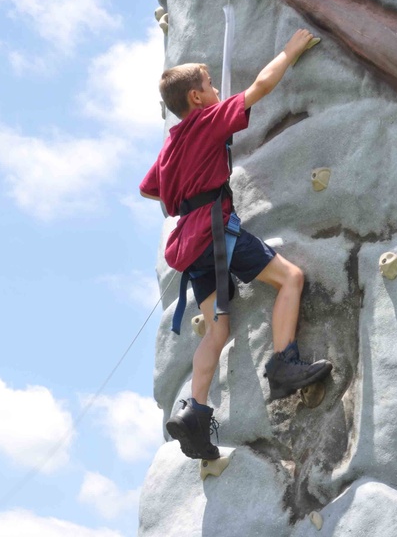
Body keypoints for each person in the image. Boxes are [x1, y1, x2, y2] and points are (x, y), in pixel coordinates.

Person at [139, 29, 332, 460]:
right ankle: (284, 363)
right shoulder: (207, 122)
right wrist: (291, 49)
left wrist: (182, 192)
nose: (213, 89)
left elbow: (149, 190)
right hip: (214, 231)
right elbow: (260, 87)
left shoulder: (172, 143)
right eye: (207, 85)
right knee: (290, 279)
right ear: (195, 97)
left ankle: (195, 410)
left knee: (216, 329)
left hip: (189, 244)